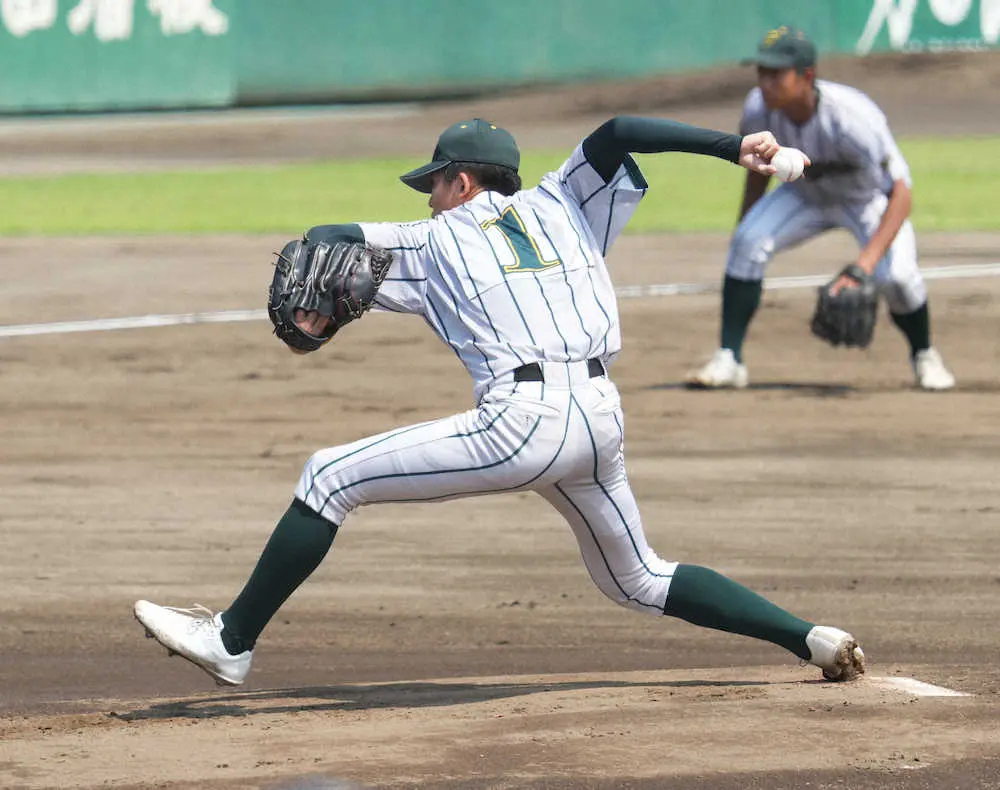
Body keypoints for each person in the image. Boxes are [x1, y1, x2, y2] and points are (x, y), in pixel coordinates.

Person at [133, 116, 865, 687]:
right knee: (638, 577)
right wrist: (736, 148)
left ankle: (230, 641)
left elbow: (329, 240)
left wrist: (314, 316)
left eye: (433, 184)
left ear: (460, 181)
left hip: (522, 425)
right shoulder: (565, 204)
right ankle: (810, 638)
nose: (428, 197)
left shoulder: (431, 238)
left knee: (329, 477)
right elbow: (619, 133)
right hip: (600, 418)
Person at [687, 26, 955, 391]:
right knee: (748, 241)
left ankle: (924, 354)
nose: (765, 83)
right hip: (804, 196)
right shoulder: (758, 109)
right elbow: (757, 171)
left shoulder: (853, 119)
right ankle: (729, 358)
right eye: (762, 72)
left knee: (897, 278)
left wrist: (863, 267)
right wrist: (744, 223)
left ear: (807, 75)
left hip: (866, 200)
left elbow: (901, 194)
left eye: (776, 74)